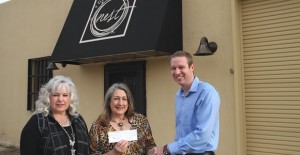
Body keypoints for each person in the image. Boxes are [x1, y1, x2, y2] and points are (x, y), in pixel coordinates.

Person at [158, 51, 220, 155]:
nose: (177, 72)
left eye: (181, 67)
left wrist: (168, 149)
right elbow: (181, 134)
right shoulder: (179, 95)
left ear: (192, 67)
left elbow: (202, 135)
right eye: (173, 68)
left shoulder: (207, 92)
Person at [20, 75, 90, 155]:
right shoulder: (38, 122)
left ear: (71, 98)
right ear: (48, 97)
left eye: (65, 95)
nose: (60, 99)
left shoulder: (78, 119)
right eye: (56, 95)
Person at [89, 83, 157, 155]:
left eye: (124, 99)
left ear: (128, 102)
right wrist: (113, 153)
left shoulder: (141, 121)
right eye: (116, 99)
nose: (120, 103)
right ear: (109, 101)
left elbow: (150, 146)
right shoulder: (98, 126)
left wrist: (152, 151)